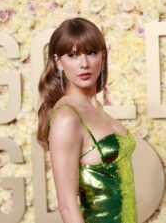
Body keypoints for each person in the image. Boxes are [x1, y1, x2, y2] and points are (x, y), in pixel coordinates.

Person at [37, 18, 137, 223]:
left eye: (91, 52)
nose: (84, 64)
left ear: (103, 56)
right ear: (58, 62)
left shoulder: (97, 109)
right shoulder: (67, 116)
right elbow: (66, 205)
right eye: (72, 55)